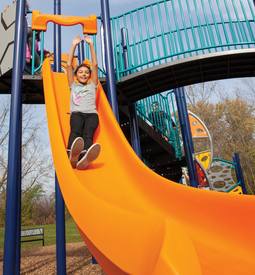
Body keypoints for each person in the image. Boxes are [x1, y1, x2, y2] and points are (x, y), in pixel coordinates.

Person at [66, 35, 100, 170]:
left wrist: (91, 45)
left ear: (90, 75)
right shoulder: (72, 85)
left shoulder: (93, 84)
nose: (84, 74)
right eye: (80, 72)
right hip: (77, 114)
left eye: (86, 72)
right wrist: (73, 45)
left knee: (88, 135)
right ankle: (72, 154)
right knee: (76, 131)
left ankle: (84, 157)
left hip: (92, 114)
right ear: (76, 74)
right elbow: (68, 65)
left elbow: (95, 65)